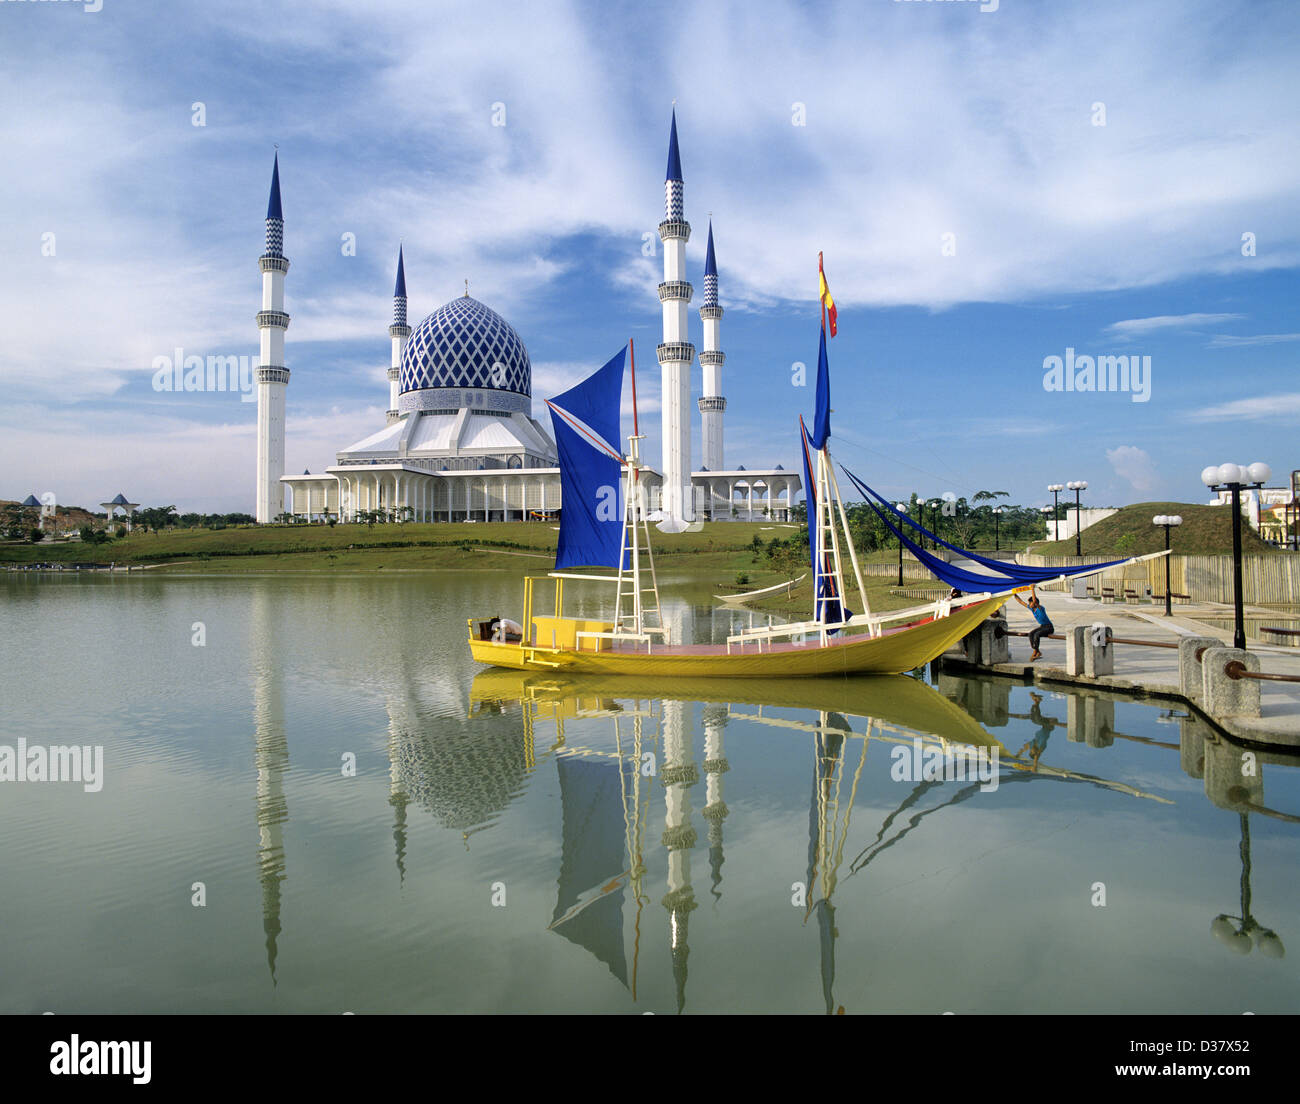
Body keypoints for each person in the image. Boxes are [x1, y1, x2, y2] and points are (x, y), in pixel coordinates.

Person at [1013, 585, 1054, 660]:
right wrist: (1013, 593)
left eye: (1030, 603)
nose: (1029, 604)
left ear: (1035, 603)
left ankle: (1036, 652)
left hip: (1049, 627)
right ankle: (1037, 651)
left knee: (1037, 634)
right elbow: (1021, 601)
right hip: (1042, 626)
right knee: (1031, 634)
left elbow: (1034, 600)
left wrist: (1032, 589)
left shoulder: (1040, 608)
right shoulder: (1032, 609)